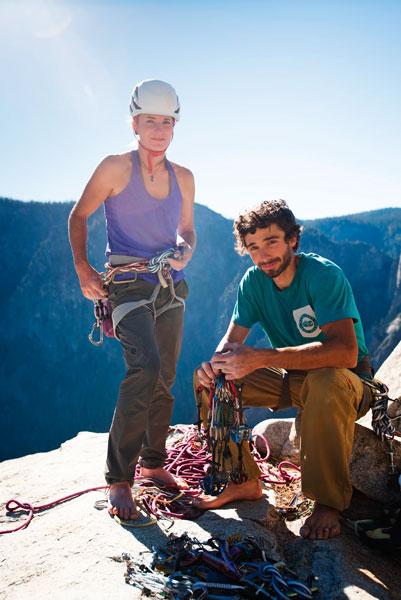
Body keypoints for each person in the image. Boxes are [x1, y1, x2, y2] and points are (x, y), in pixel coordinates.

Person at [194, 199, 373, 540]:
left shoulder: (322, 276)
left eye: (271, 241)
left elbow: (346, 353)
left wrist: (260, 357)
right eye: (253, 247)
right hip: (293, 379)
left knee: (326, 380)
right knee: (210, 381)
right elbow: (230, 345)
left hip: (348, 382)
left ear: (292, 239)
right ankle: (241, 479)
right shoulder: (253, 283)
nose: (263, 255)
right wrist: (215, 365)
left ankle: (327, 502)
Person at [69, 79, 195, 521]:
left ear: (175, 125)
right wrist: (84, 269)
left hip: (169, 283)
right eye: (150, 121)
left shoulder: (184, 177)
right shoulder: (115, 168)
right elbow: (78, 215)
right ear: (135, 122)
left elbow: (187, 230)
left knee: (165, 376)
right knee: (145, 366)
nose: (159, 129)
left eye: (167, 121)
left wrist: (187, 249)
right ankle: (119, 479)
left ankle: (154, 464)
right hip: (125, 284)